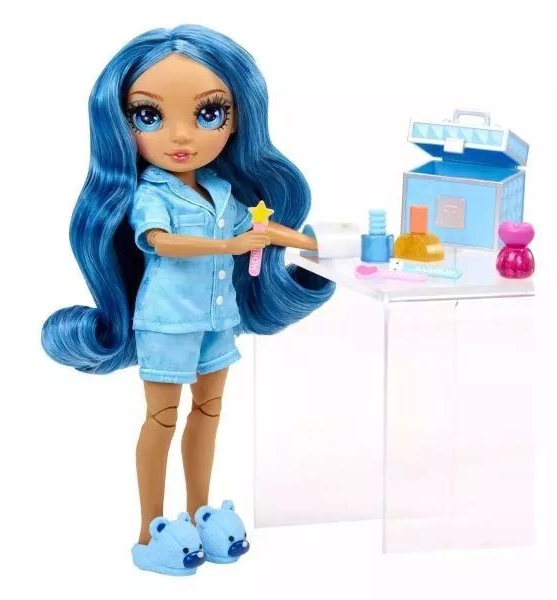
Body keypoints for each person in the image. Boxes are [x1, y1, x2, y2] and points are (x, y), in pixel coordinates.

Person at [41, 24, 334, 574]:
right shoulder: (151, 192)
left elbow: (261, 229)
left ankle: (201, 511)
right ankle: (150, 528)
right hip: (168, 321)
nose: (181, 135)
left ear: (238, 118)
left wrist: (322, 245)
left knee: (209, 411)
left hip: (217, 319)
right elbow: (159, 242)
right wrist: (227, 246)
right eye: (148, 115)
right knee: (161, 418)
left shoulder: (221, 189)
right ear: (120, 123)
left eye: (208, 113)